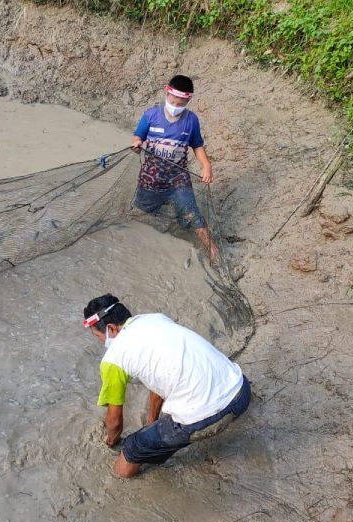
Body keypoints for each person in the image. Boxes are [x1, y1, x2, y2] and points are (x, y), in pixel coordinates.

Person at [83, 294, 251, 478]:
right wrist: (151, 422)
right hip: (241, 390)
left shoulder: (113, 359)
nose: (100, 341)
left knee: (132, 448)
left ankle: (121, 486)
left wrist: (110, 442)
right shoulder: (155, 318)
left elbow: (114, 422)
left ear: (111, 329)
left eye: (97, 336)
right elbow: (159, 379)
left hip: (207, 416)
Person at [131, 74, 219, 262]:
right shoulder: (150, 115)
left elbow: (197, 145)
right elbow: (138, 136)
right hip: (150, 179)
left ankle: (214, 256)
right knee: (141, 214)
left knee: (193, 215)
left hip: (178, 179)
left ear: (188, 100)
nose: (176, 107)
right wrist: (137, 144)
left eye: (181, 104)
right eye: (173, 102)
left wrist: (206, 165)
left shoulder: (191, 120)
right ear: (167, 92)